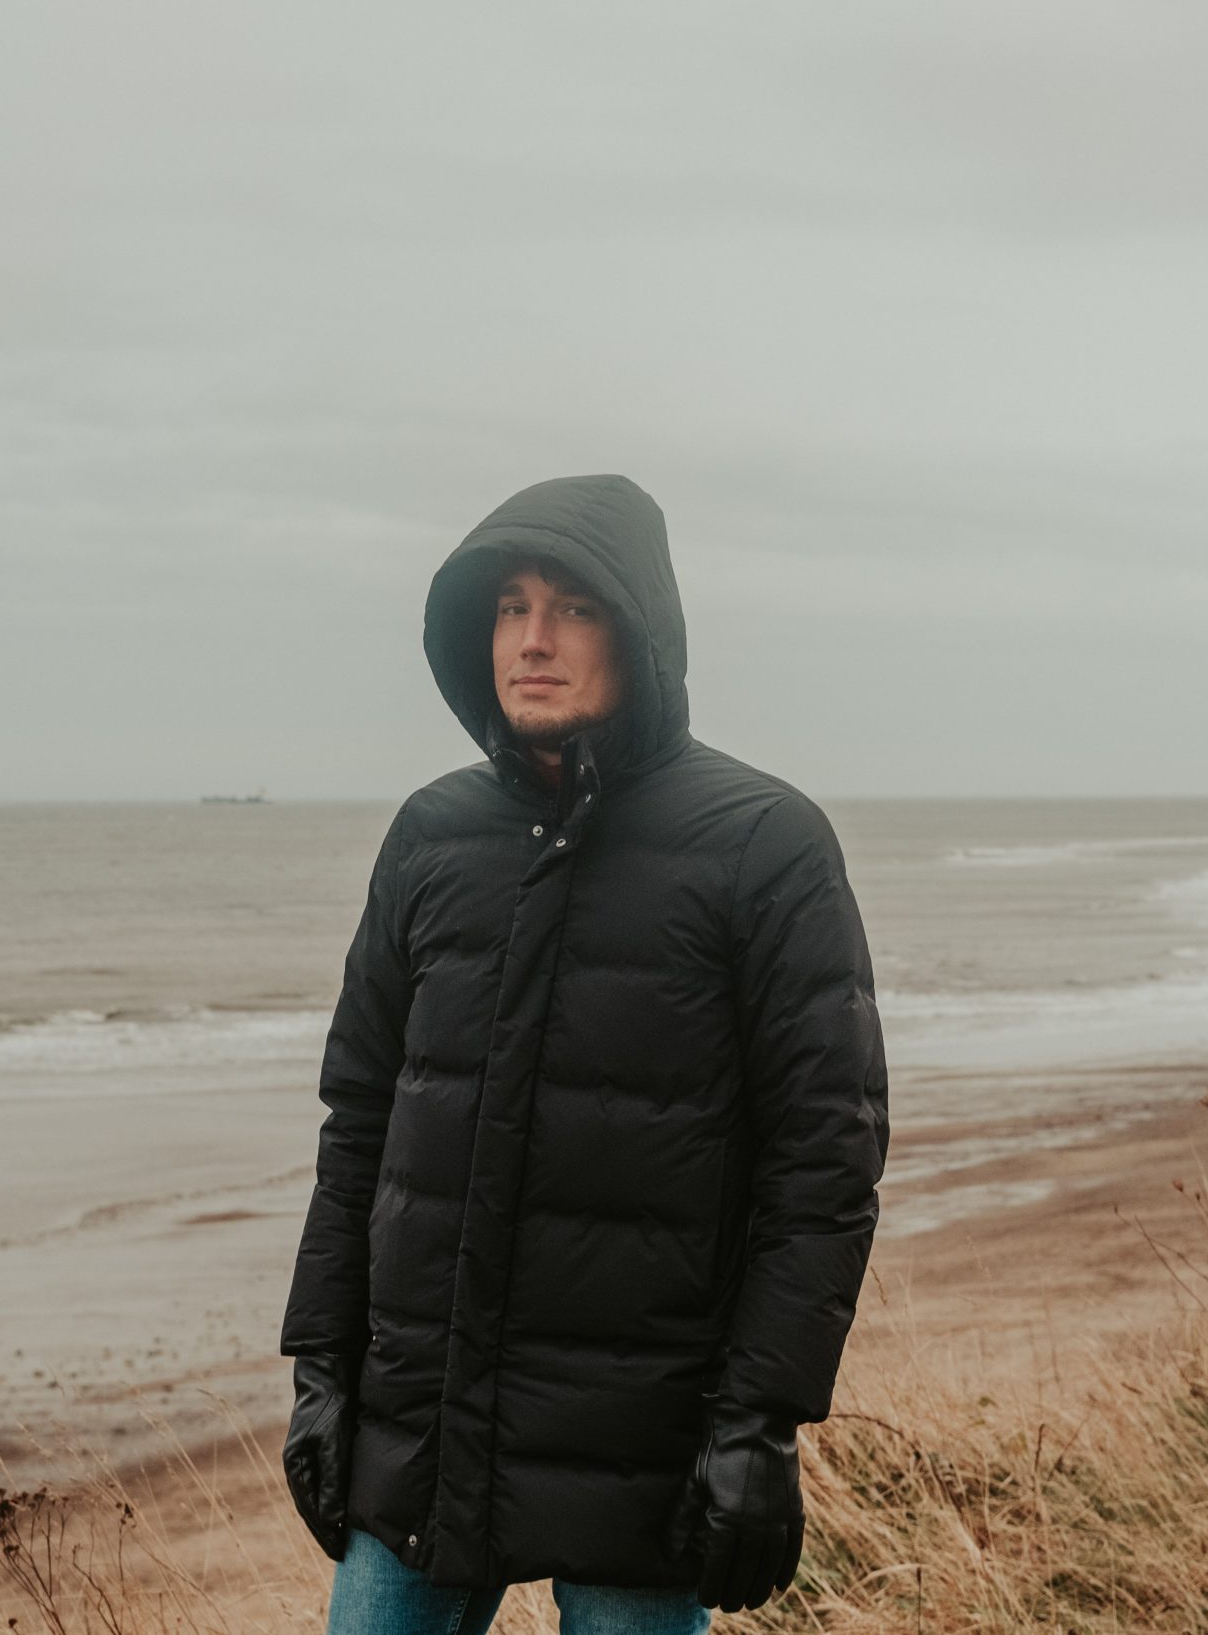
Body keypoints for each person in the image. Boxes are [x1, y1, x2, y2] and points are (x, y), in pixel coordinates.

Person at [279, 475, 890, 1635]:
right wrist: (319, 1363)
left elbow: (824, 1162)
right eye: (509, 608)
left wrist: (758, 1421)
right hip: (422, 1434)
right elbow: (357, 1117)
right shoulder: (429, 836)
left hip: (639, 1449)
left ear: (643, 629)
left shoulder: (764, 845)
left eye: (574, 608)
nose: (534, 641)